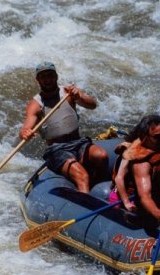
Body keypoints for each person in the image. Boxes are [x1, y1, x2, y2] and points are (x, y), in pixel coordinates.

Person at [19, 61, 109, 193]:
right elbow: (26, 127)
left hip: (79, 142)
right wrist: (24, 132)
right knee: (82, 176)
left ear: (56, 76)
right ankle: (85, 206)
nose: (48, 80)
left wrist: (80, 97)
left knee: (102, 155)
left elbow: (92, 104)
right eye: (43, 77)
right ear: (38, 80)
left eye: (50, 75)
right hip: (57, 149)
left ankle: (100, 191)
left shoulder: (68, 93)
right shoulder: (36, 104)